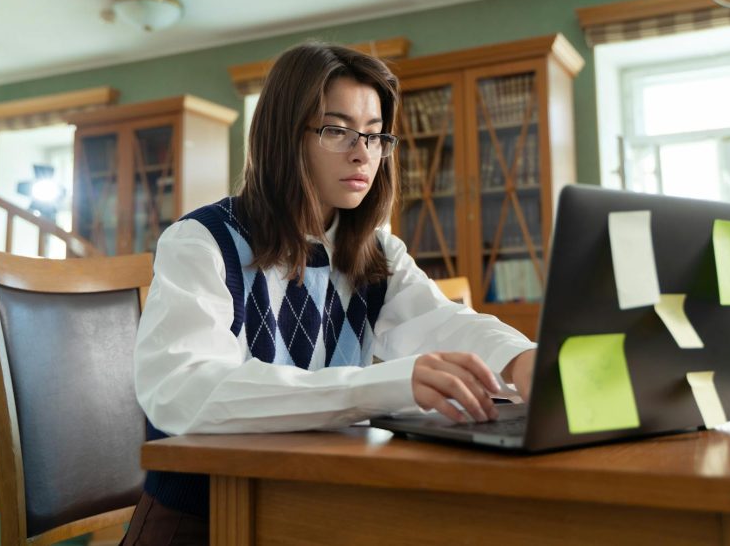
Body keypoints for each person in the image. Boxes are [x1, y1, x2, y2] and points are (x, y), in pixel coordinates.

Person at [121, 42, 537, 545]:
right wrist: (375, 387)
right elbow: (183, 393)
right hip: (208, 516)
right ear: (283, 135)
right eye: (336, 130)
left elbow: (447, 322)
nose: (363, 153)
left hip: (316, 505)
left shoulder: (375, 251)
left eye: (376, 135)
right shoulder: (202, 242)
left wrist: (523, 359)